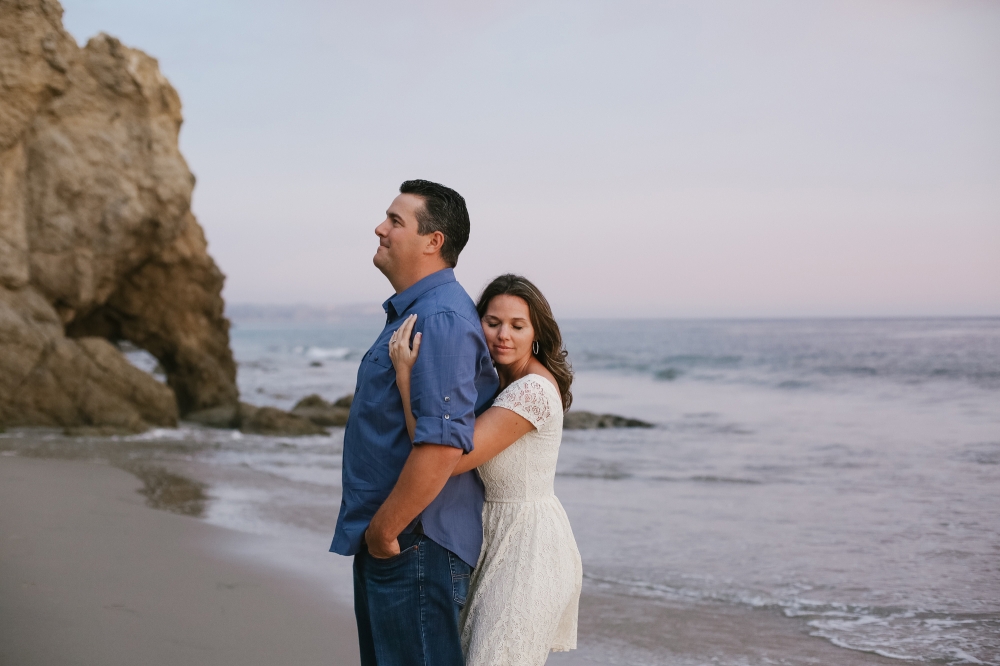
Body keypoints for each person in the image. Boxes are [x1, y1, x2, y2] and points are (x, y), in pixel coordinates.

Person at [330, 180, 499, 666]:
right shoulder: (417, 313)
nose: (380, 229)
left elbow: (442, 445)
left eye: (395, 221)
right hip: (402, 542)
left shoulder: (440, 319)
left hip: (414, 545)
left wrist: (386, 532)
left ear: (433, 241)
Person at [389, 273, 583, 666]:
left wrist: (405, 376)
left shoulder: (532, 391)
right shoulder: (501, 383)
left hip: (529, 546)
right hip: (500, 536)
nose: (502, 335)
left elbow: (450, 458)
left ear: (537, 333)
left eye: (517, 325)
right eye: (492, 323)